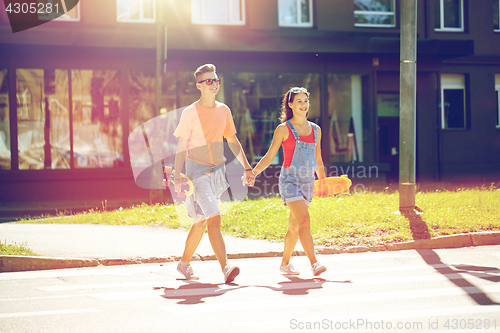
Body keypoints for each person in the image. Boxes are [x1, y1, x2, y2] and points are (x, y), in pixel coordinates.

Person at [173, 64, 255, 283]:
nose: (214, 84)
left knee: (201, 220)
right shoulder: (190, 113)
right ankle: (226, 267)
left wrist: (247, 167)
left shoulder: (223, 110)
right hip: (197, 172)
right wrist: (177, 175)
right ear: (199, 85)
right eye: (209, 81)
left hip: (217, 173)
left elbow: (232, 140)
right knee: (214, 217)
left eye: (216, 80)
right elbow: (181, 145)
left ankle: (184, 264)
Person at [250, 87, 327, 276]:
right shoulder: (283, 129)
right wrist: (254, 173)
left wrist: (323, 182)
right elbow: (270, 156)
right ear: (290, 105)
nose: (303, 105)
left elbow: (318, 159)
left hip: (308, 181)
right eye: (299, 101)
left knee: (294, 225)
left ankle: (285, 264)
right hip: (290, 181)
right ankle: (314, 263)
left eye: (305, 101)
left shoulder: (316, 130)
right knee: (304, 220)